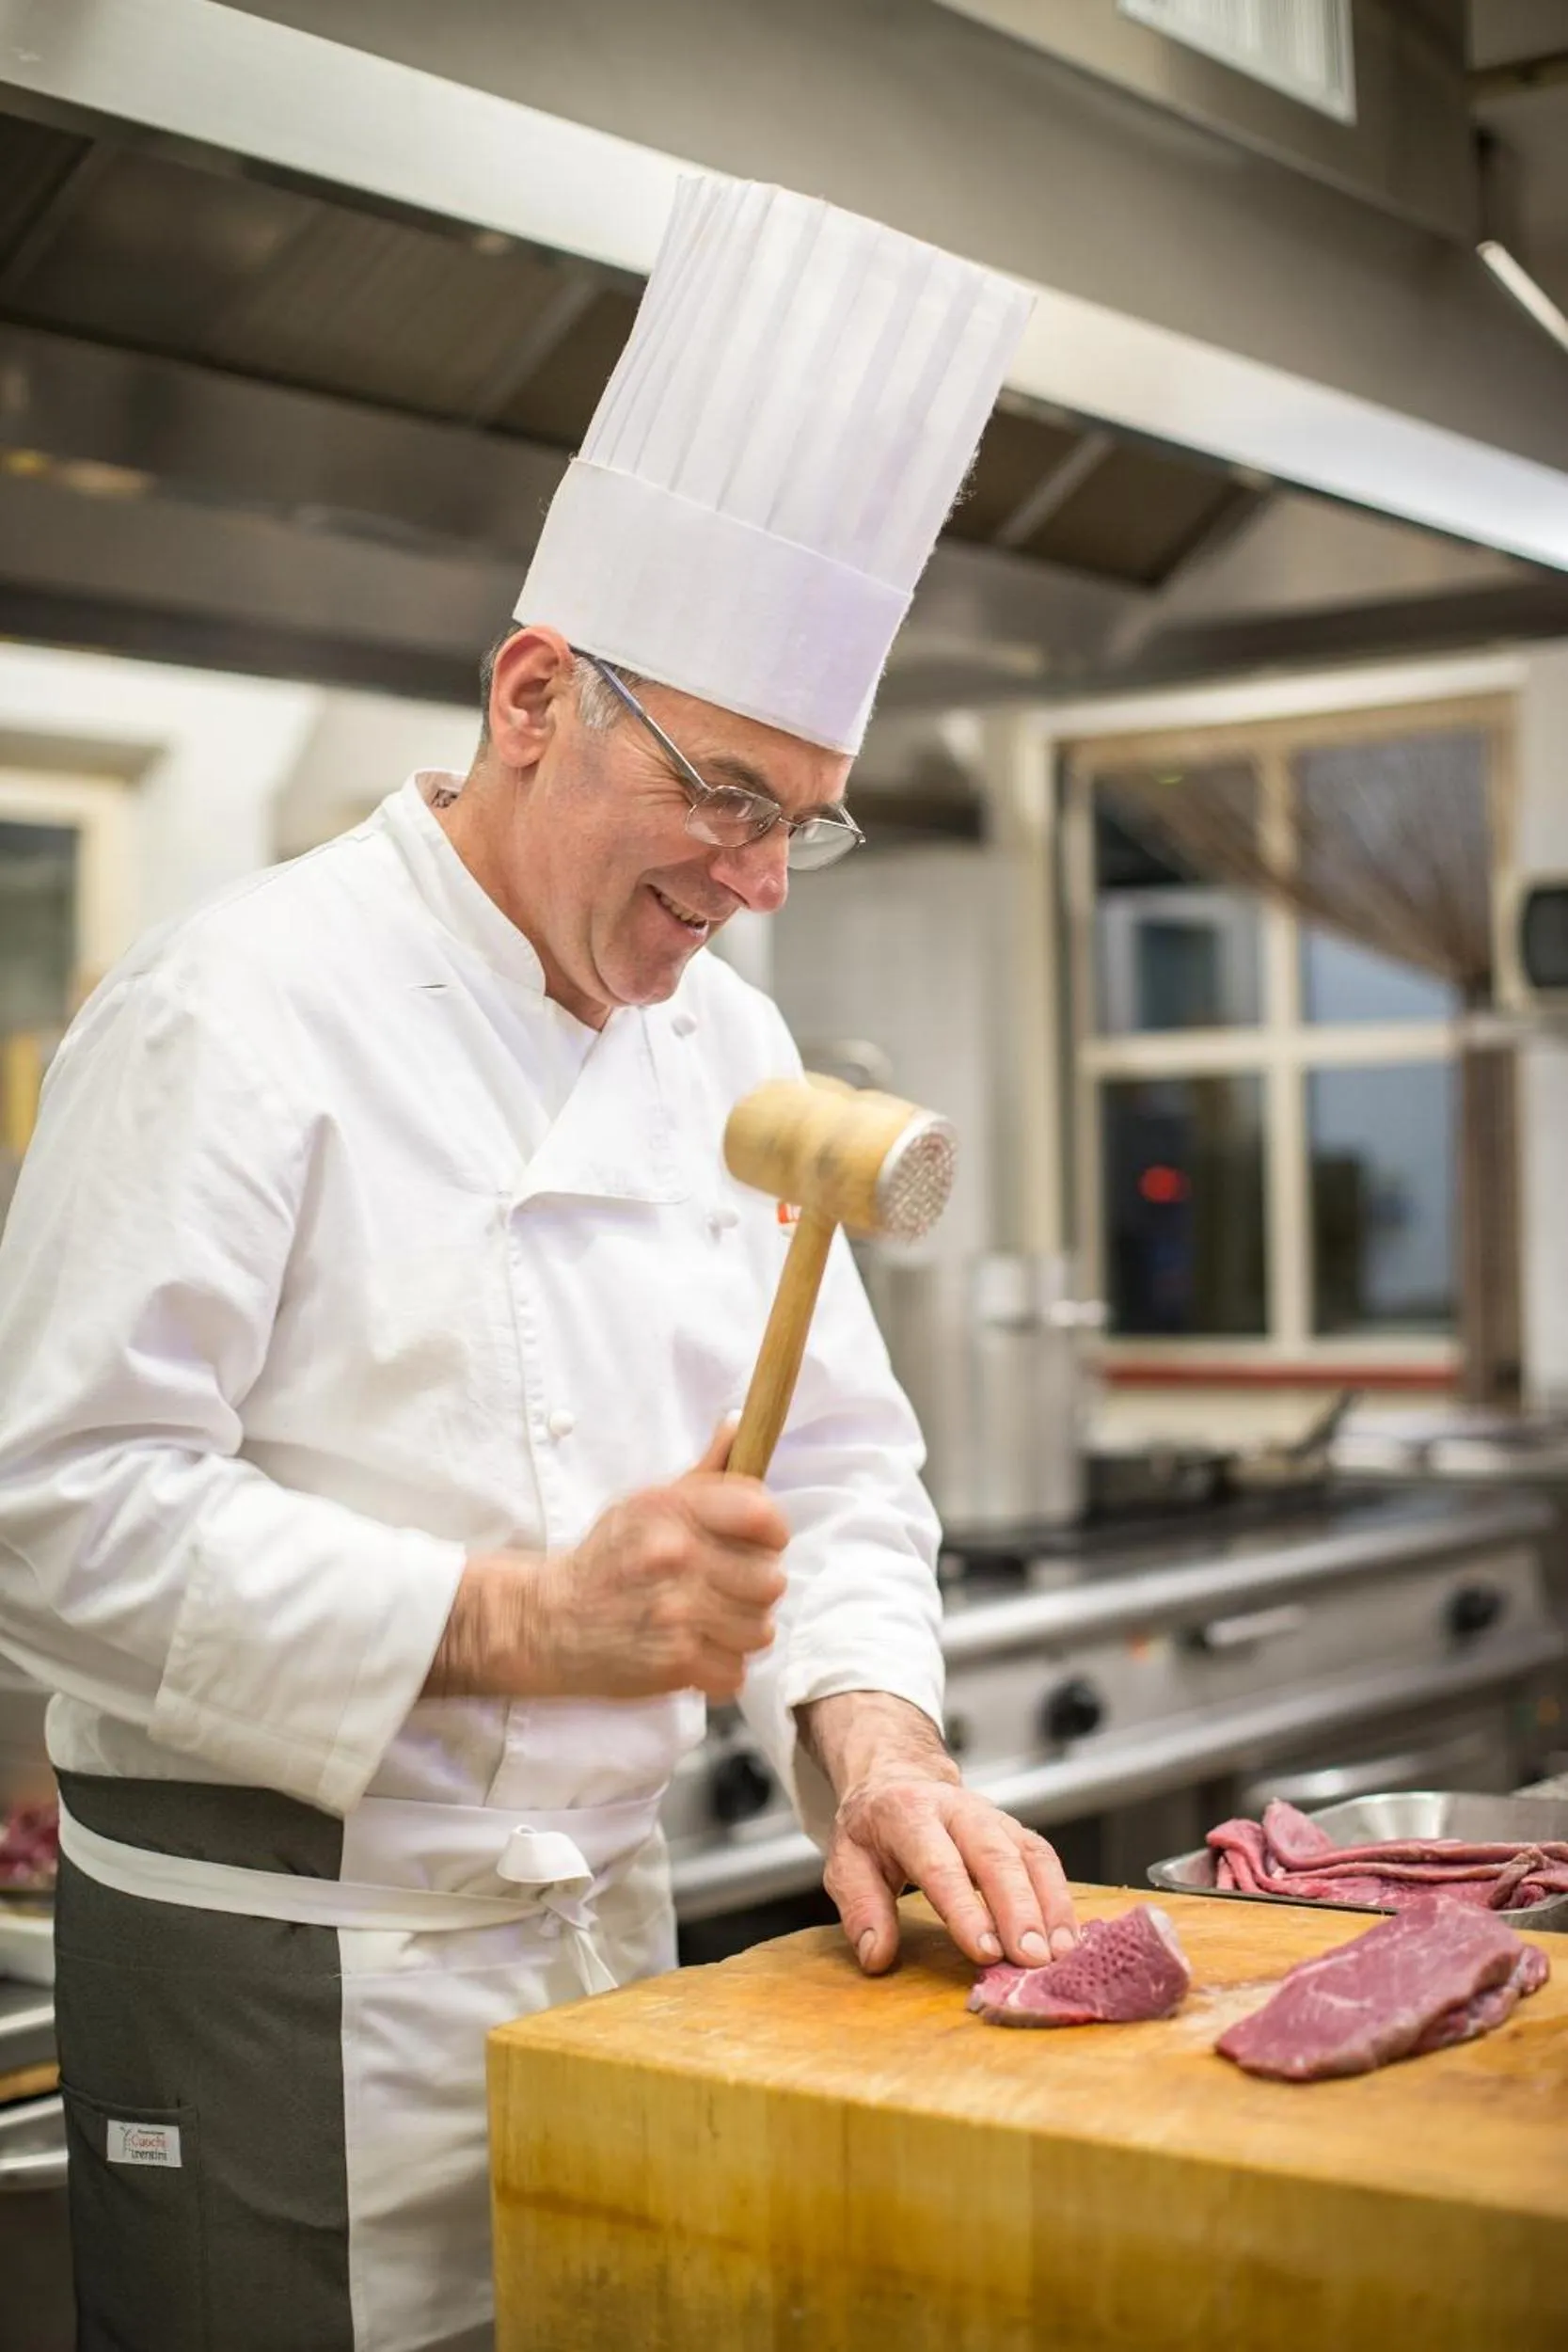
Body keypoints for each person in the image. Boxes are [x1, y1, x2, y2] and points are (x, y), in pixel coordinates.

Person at [0, 176, 1074, 2352]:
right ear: (527, 693)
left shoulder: (724, 1043)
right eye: (725, 796)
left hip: (604, 1967)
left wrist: (874, 1745)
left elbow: (845, 1476)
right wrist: (514, 1617)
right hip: (279, 1995)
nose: (761, 883)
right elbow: (54, 1508)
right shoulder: (234, 1006)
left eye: (803, 818)